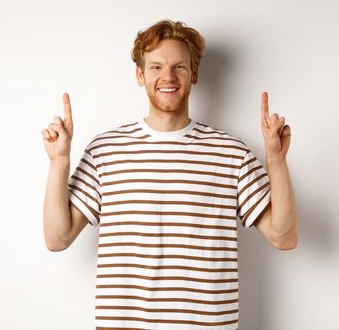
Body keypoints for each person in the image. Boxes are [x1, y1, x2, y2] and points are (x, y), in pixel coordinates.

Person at [40, 19, 298, 329]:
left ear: (195, 74)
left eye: (179, 67)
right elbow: (57, 238)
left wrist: (276, 161)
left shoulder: (232, 153)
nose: (168, 77)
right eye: (156, 66)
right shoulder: (104, 151)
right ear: (140, 74)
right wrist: (59, 162)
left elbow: (284, 237)